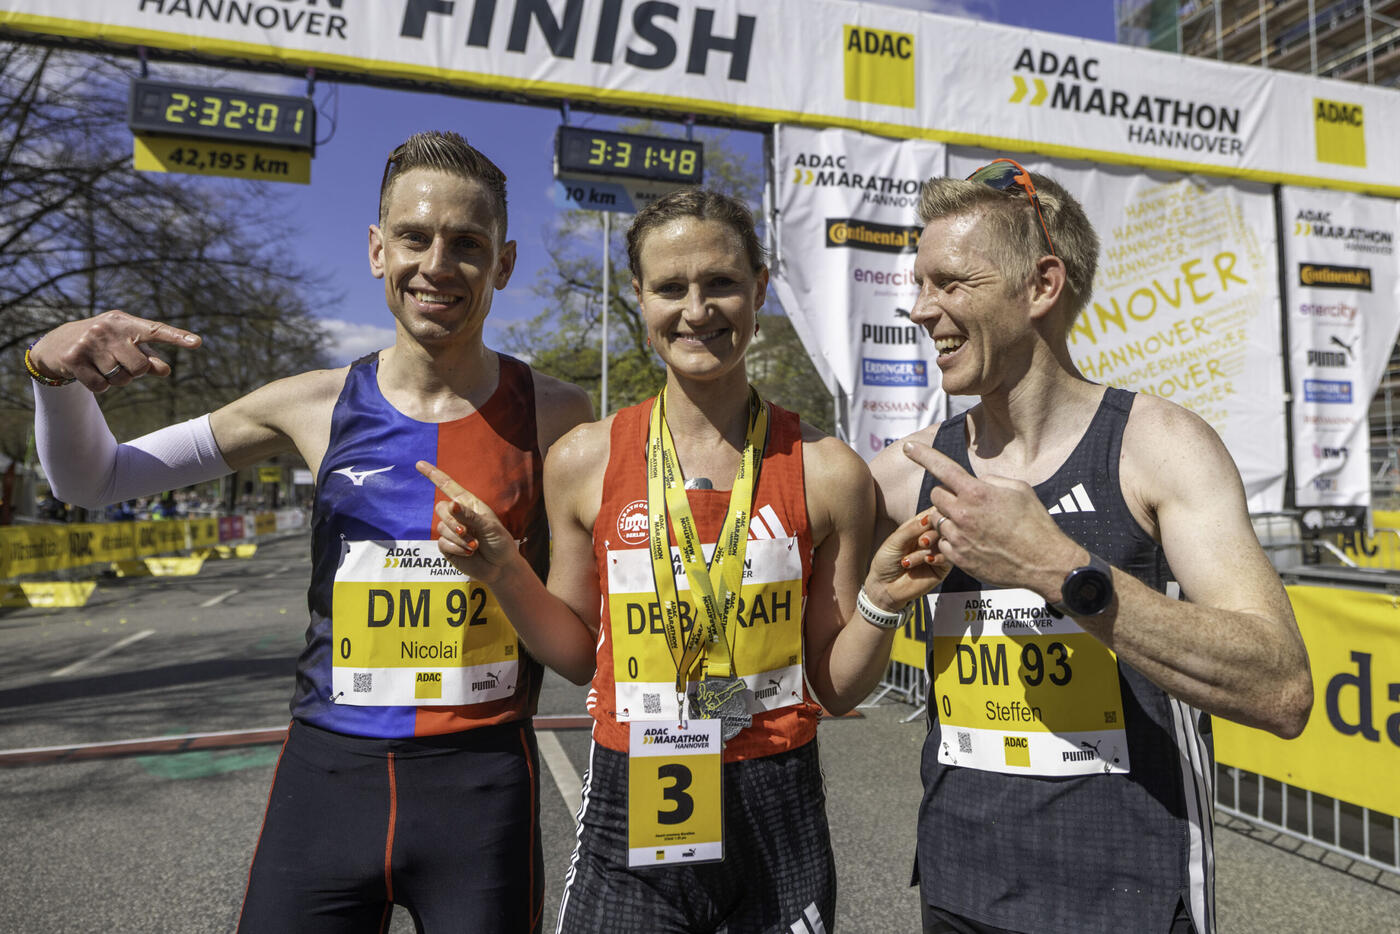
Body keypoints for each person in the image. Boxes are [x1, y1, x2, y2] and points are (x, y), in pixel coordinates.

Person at [27, 131, 593, 933]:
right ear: (377, 249)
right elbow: (98, 480)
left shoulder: (559, 413)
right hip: (329, 782)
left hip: (481, 791)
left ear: (502, 264)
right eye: (414, 237)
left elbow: (578, 636)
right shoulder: (311, 404)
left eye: (467, 244)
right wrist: (52, 378)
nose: (436, 265)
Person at [416, 188, 943, 934]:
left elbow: (831, 686)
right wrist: (505, 571)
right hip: (633, 787)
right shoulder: (584, 460)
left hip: (778, 805)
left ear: (759, 289)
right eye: (670, 287)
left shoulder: (828, 471)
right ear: (639, 297)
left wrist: (882, 602)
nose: (697, 310)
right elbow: (578, 654)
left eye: (721, 282)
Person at [869, 158, 1314, 934]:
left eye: (950, 283)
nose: (920, 308)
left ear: (1041, 285)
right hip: (958, 891)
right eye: (919, 285)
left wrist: (1055, 566)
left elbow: (1281, 686)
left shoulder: (1158, 447)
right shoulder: (910, 468)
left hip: (1129, 900)